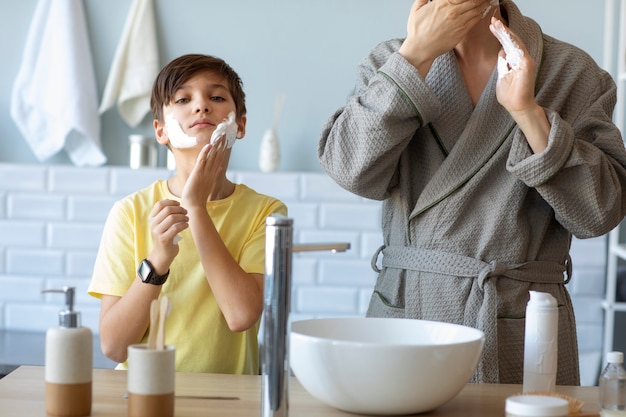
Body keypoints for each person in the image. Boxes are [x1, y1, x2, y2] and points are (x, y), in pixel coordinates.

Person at [318, 0, 626, 384]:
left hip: (521, 323)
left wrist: (529, 113)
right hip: (410, 317)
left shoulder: (571, 72)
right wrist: (413, 57)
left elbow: (601, 212)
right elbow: (349, 170)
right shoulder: (390, 60)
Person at [88, 54, 287, 374]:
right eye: (183, 98)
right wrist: (158, 259)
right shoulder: (129, 212)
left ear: (240, 125)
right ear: (161, 130)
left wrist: (196, 208)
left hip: (231, 401)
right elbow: (113, 347)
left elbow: (240, 316)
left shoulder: (266, 212)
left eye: (217, 97)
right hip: (145, 396)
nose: (202, 106)